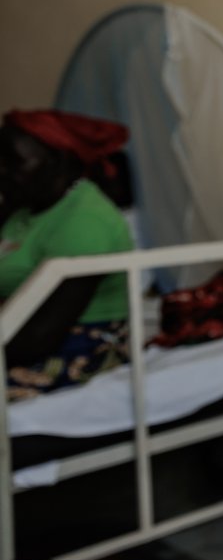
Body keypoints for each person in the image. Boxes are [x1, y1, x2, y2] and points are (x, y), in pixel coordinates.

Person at [1, 109, 134, 401]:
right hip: (15, 331)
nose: (2, 171)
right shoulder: (21, 209)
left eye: (14, 162)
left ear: (59, 162)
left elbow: (42, 336)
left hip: (80, 344)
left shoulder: (85, 220)